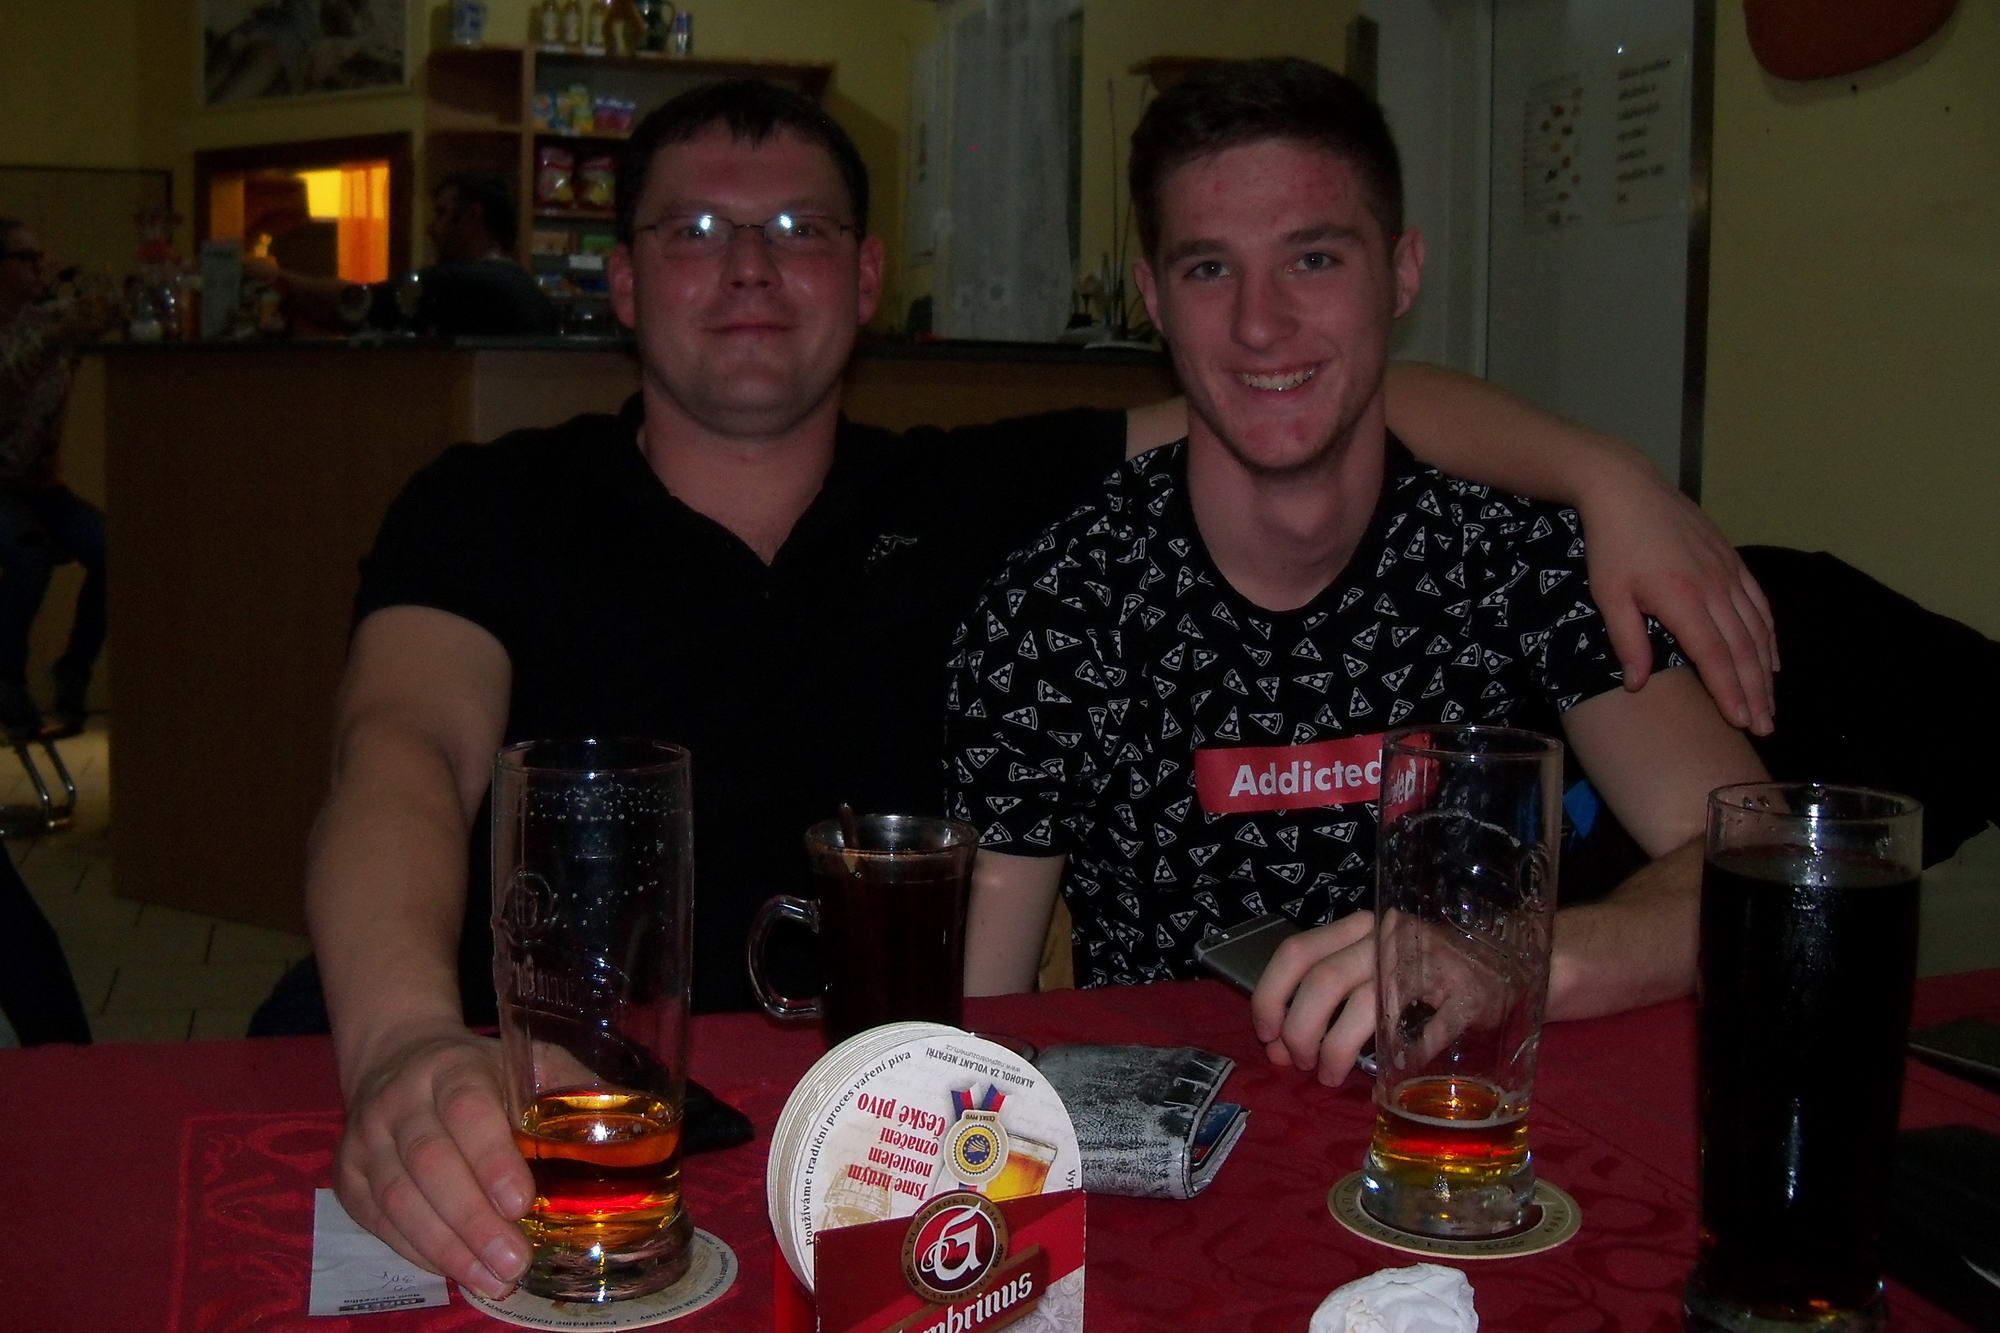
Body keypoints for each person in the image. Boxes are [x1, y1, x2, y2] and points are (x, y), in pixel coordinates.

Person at [303, 78, 1774, 1297]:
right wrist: (405, 1037)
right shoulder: (491, 505)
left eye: (799, 229)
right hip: (568, 1117)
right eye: (695, 230)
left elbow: (1300, 397)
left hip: (900, 1127)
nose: (749, 267)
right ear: (621, 279)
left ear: (866, 278)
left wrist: (1605, 478)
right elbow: (399, 753)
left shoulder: (970, 498)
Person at [943, 59, 1767, 1088]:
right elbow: (977, 1027)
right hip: (1181, 1142)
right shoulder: (1059, 603)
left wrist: (1513, 960)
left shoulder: (1518, 553)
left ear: (1402, 272)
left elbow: (1759, 856)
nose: (1259, 322)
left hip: (1467, 1126)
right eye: (1209, 269)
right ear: (1153, 298)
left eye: (1314, 259)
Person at [0, 218, 112, 740]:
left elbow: (102, 315)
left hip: (40, 487)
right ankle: (6, 679)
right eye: (25, 259)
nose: (38, 269)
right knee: (29, 557)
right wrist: (56, 339)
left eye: (39, 259)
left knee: (113, 551)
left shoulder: (47, 320)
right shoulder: (41, 335)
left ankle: (74, 670)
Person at [258, 173, 558, 337]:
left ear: (471, 217)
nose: (430, 228)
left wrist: (275, 278)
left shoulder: (461, 282)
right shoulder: (526, 288)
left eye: (441, 213)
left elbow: (355, 303)